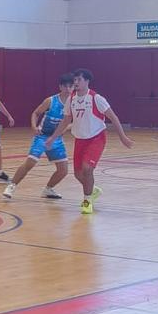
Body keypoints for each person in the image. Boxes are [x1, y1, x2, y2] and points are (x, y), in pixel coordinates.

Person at [51, 69, 133, 215]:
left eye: (79, 80)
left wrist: (122, 137)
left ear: (87, 81)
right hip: (80, 140)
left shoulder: (96, 98)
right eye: (74, 80)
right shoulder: (72, 99)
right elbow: (65, 121)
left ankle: (87, 201)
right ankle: (93, 190)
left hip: (96, 138)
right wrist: (53, 137)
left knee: (87, 169)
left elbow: (113, 118)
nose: (75, 82)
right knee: (78, 174)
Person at [3, 75, 73, 201]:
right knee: (30, 162)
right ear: (60, 87)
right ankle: (11, 186)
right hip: (42, 136)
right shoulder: (51, 101)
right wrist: (34, 126)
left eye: (70, 86)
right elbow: (35, 113)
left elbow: (73, 123)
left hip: (56, 139)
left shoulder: (74, 103)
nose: (68, 89)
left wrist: (63, 129)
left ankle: (48, 189)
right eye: (65, 86)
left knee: (63, 170)